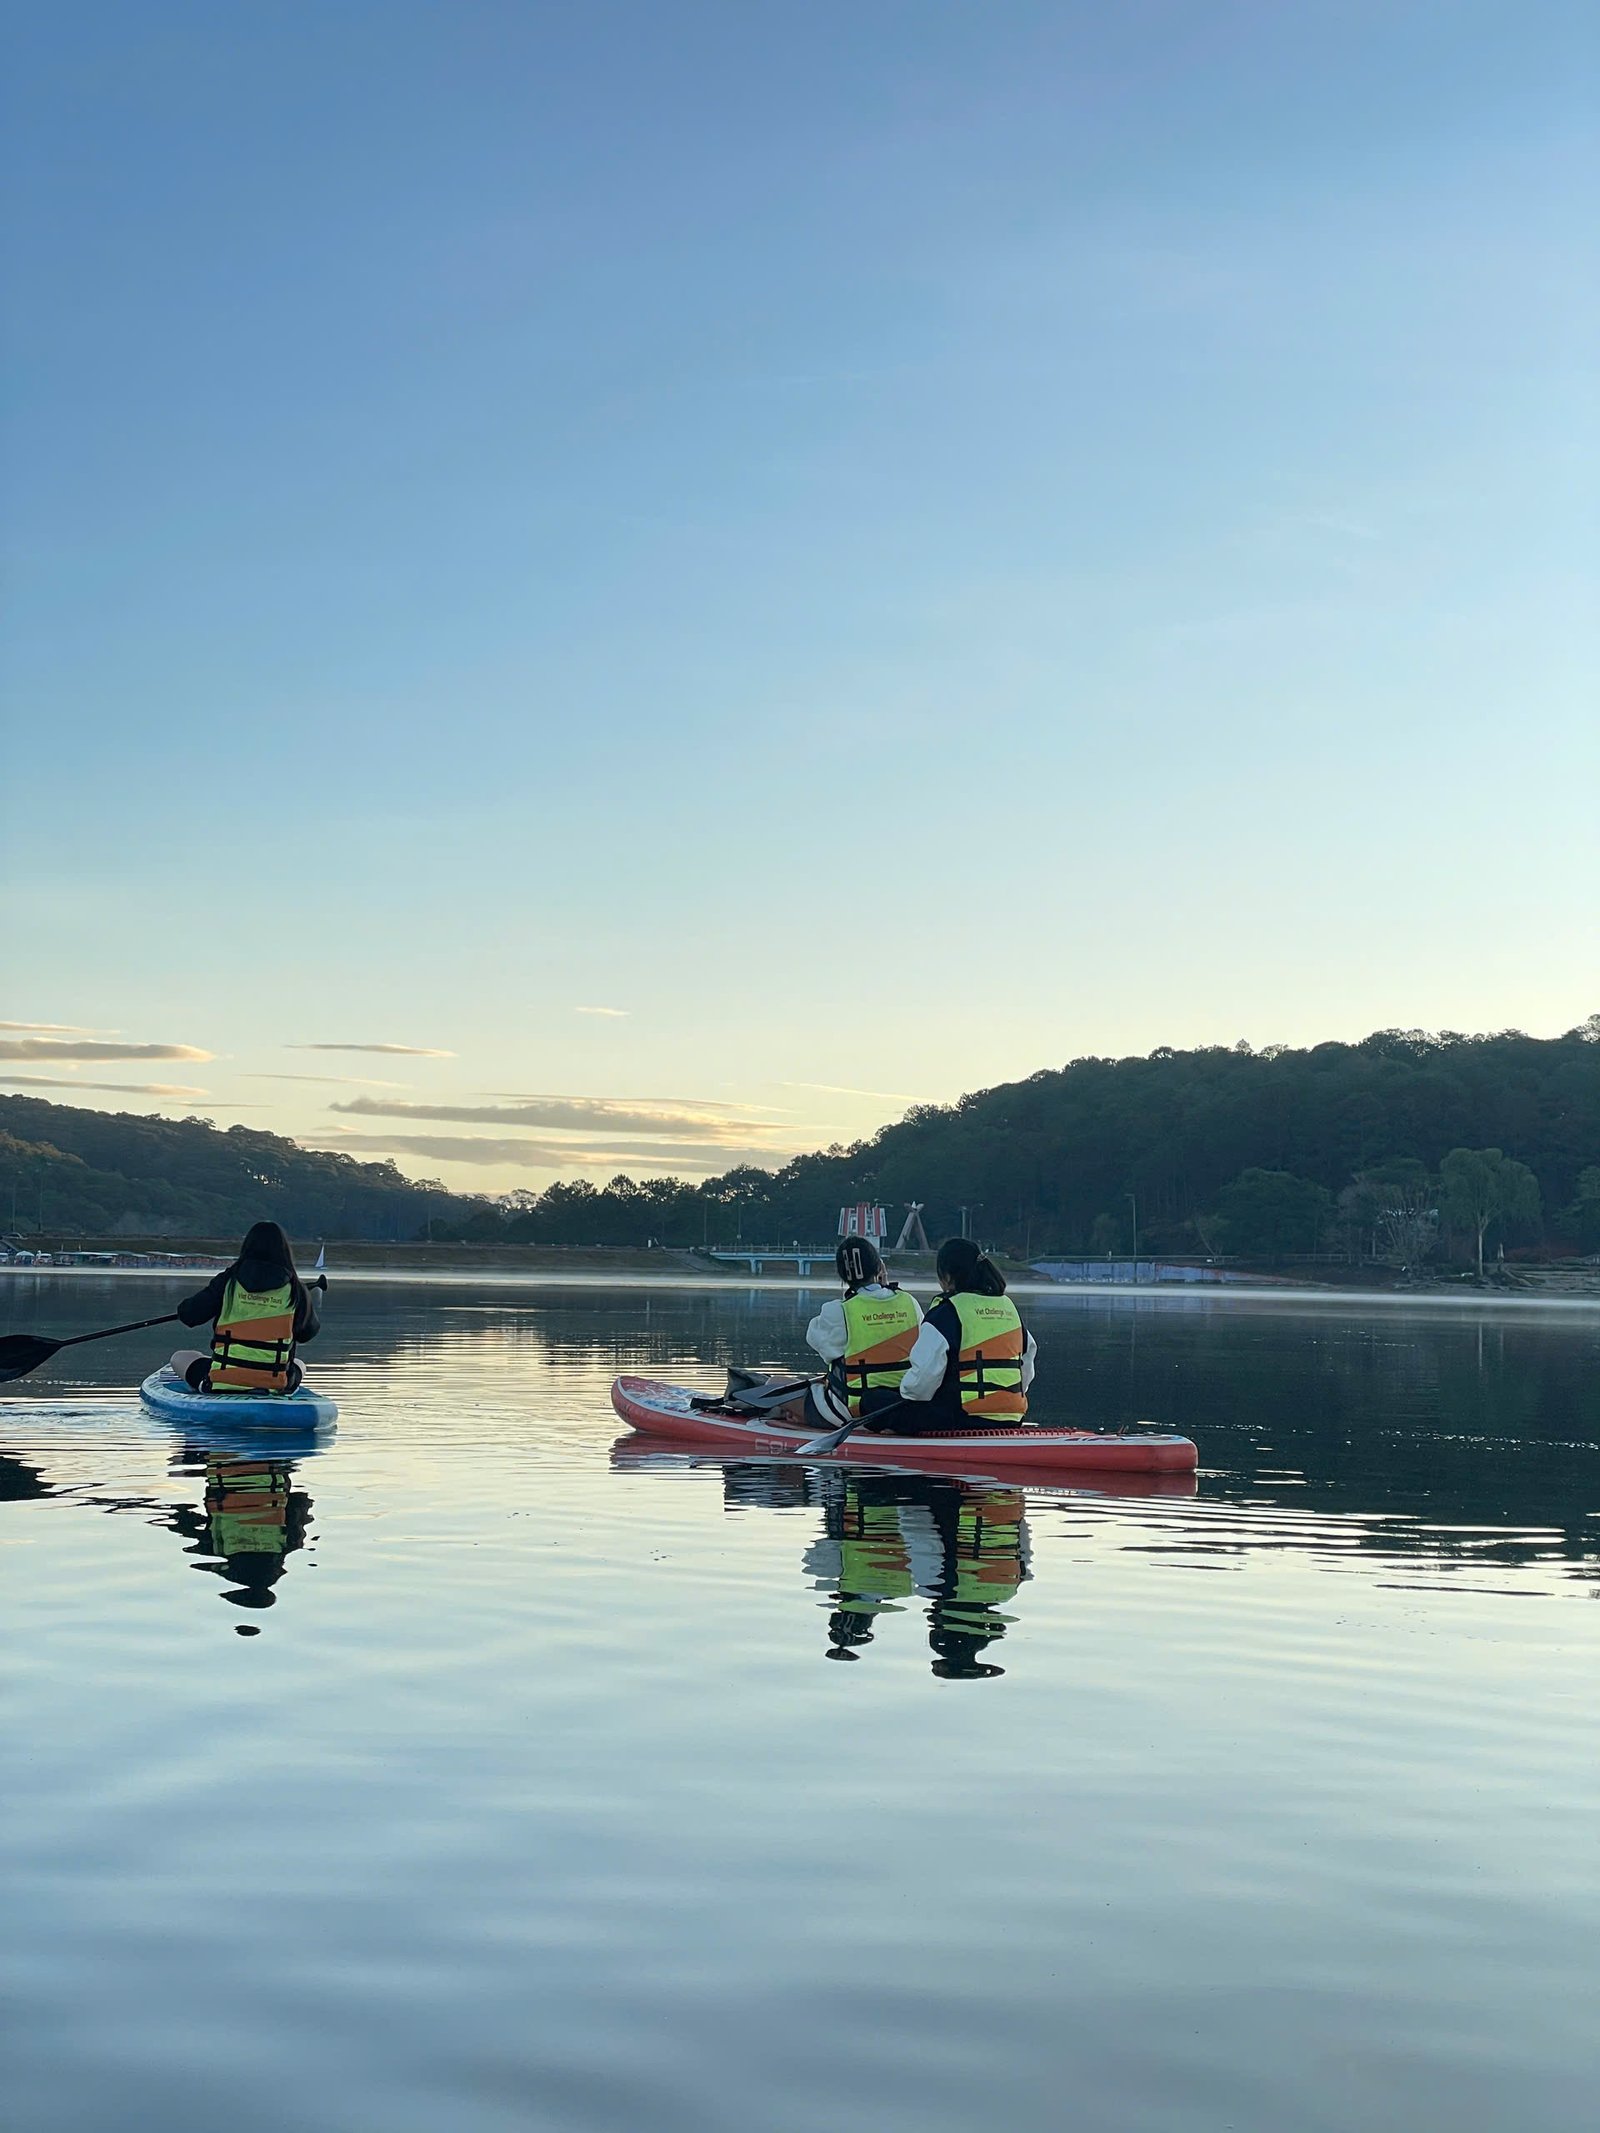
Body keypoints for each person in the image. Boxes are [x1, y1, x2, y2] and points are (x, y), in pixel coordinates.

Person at [895, 1235, 1036, 1434]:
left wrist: (903, 1397)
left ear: (948, 1276)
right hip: (1012, 1418)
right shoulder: (1009, 1309)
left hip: (960, 1420)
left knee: (873, 1400)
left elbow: (921, 1385)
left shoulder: (945, 1313)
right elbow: (1026, 1371)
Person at [169, 1221, 322, 1395]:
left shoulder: (228, 1281)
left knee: (179, 1357)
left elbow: (190, 1316)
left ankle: (219, 1383)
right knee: (300, 1364)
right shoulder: (296, 1289)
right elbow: (307, 1333)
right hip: (275, 1384)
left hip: (222, 1381)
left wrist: (184, 1311)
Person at [805, 1235, 924, 1426]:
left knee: (777, 1387)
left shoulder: (838, 1310)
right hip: (903, 1403)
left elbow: (816, 1341)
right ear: (879, 1268)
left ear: (842, 1275)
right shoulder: (910, 1302)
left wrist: (848, 1298)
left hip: (853, 1410)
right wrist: (884, 1287)